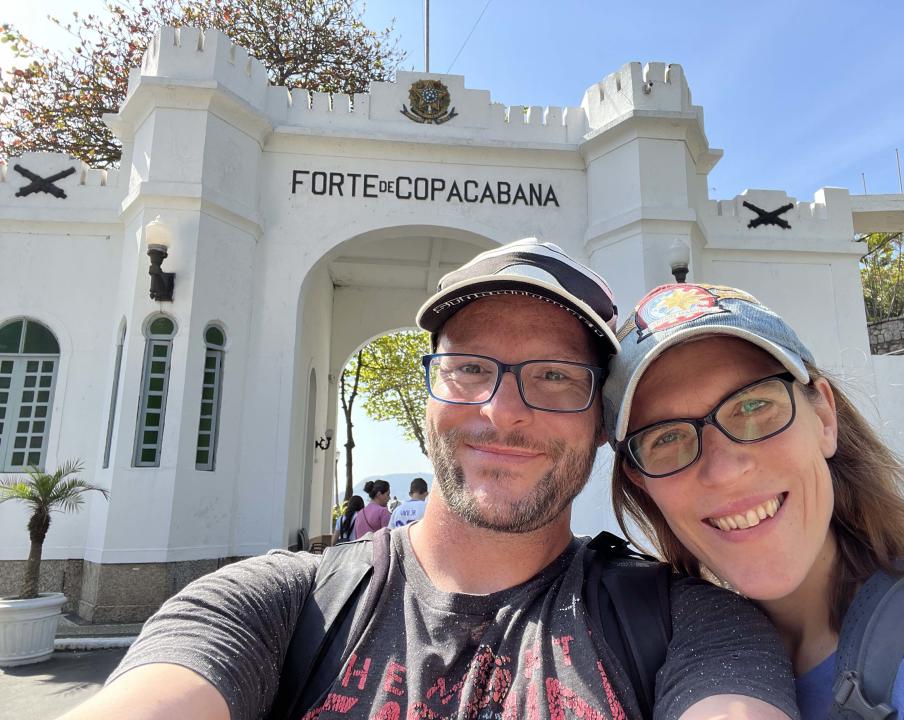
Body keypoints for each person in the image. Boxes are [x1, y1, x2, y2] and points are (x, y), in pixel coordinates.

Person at [59, 241, 798, 720]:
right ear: (427, 398)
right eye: (468, 369)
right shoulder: (274, 608)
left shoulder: (689, 627)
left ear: (601, 421)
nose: (501, 412)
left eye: (554, 376)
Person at [603, 282, 904, 720]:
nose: (724, 470)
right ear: (643, 484)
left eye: (753, 407)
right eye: (668, 438)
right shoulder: (672, 647)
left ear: (824, 417)